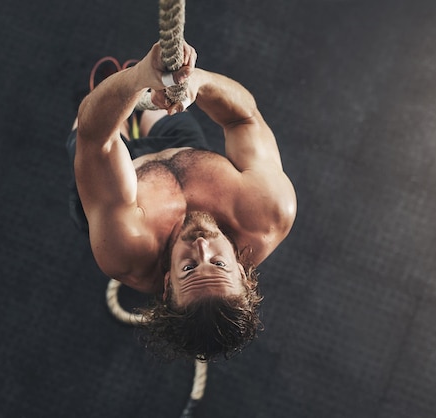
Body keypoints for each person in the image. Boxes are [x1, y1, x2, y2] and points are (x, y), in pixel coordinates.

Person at [67, 41, 296, 361]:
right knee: (159, 102)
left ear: (166, 282)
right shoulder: (267, 210)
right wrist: (197, 83)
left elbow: (96, 140)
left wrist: (137, 79)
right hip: (182, 149)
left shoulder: (125, 248)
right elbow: (244, 118)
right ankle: (141, 105)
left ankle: (123, 100)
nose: (202, 246)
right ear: (242, 274)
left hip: (119, 191)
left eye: (188, 268)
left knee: (88, 118)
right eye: (218, 264)